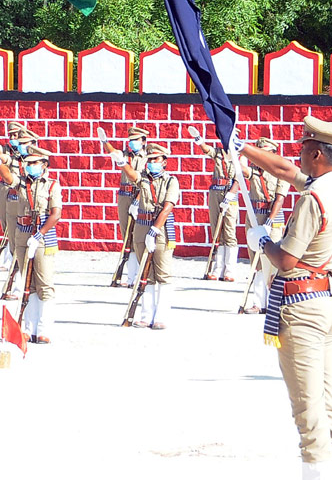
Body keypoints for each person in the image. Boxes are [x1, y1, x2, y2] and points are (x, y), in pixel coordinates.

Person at [241, 116, 332, 480]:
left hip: (302, 305)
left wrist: (263, 240)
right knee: (329, 406)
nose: (300, 155)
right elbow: (285, 171)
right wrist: (243, 149)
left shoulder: (312, 199)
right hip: (327, 299)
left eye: (306, 149)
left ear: (318, 154)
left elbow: (286, 259)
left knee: (307, 410)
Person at [0, 144, 62, 344]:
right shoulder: (23, 183)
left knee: (43, 283)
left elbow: (55, 214)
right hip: (22, 233)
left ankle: (43, 328)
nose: (30, 167)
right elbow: (8, 178)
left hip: (42, 236)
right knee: (27, 282)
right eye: (28, 163)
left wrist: (40, 234)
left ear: (44, 164)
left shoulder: (51, 185)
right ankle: (28, 328)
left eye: (34, 163)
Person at [119, 141, 178, 328]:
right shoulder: (143, 178)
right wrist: (121, 162)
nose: (152, 162)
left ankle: (161, 316)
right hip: (141, 227)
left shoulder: (171, 180)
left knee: (163, 274)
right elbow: (131, 175)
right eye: (149, 159)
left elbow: (168, 206)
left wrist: (155, 230)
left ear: (164, 161)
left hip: (159, 230)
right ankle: (146, 315)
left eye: (156, 159)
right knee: (146, 273)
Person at [0, 124, 37, 274]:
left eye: (16, 135)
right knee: (7, 226)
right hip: (7, 190)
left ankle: (15, 262)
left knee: (22, 232)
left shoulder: (34, 158)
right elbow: (3, 158)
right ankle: (10, 259)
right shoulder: (9, 152)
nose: (13, 139)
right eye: (10, 135)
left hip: (24, 195)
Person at [189, 128, 246, 282]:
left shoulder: (240, 157)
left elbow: (240, 179)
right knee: (216, 231)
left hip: (229, 194)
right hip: (215, 191)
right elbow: (207, 149)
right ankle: (217, 268)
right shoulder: (220, 153)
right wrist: (199, 139)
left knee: (229, 231)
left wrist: (231, 194)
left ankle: (230, 270)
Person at [100, 125, 151, 286]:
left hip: (140, 195)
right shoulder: (125, 155)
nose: (132, 143)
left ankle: (139, 275)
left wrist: (137, 200)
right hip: (124, 195)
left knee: (138, 235)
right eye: (131, 140)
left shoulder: (148, 156)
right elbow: (113, 152)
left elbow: (146, 180)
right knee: (126, 235)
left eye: (136, 140)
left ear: (143, 141)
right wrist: (105, 141)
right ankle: (130, 276)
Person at [243, 137, 286, 314]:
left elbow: (280, 198)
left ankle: (274, 302)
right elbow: (244, 172)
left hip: (272, 218)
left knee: (272, 260)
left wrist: (269, 221)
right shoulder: (255, 170)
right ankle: (258, 303)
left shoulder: (280, 173)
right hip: (254, 216)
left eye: (267, 152)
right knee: (256, 261)